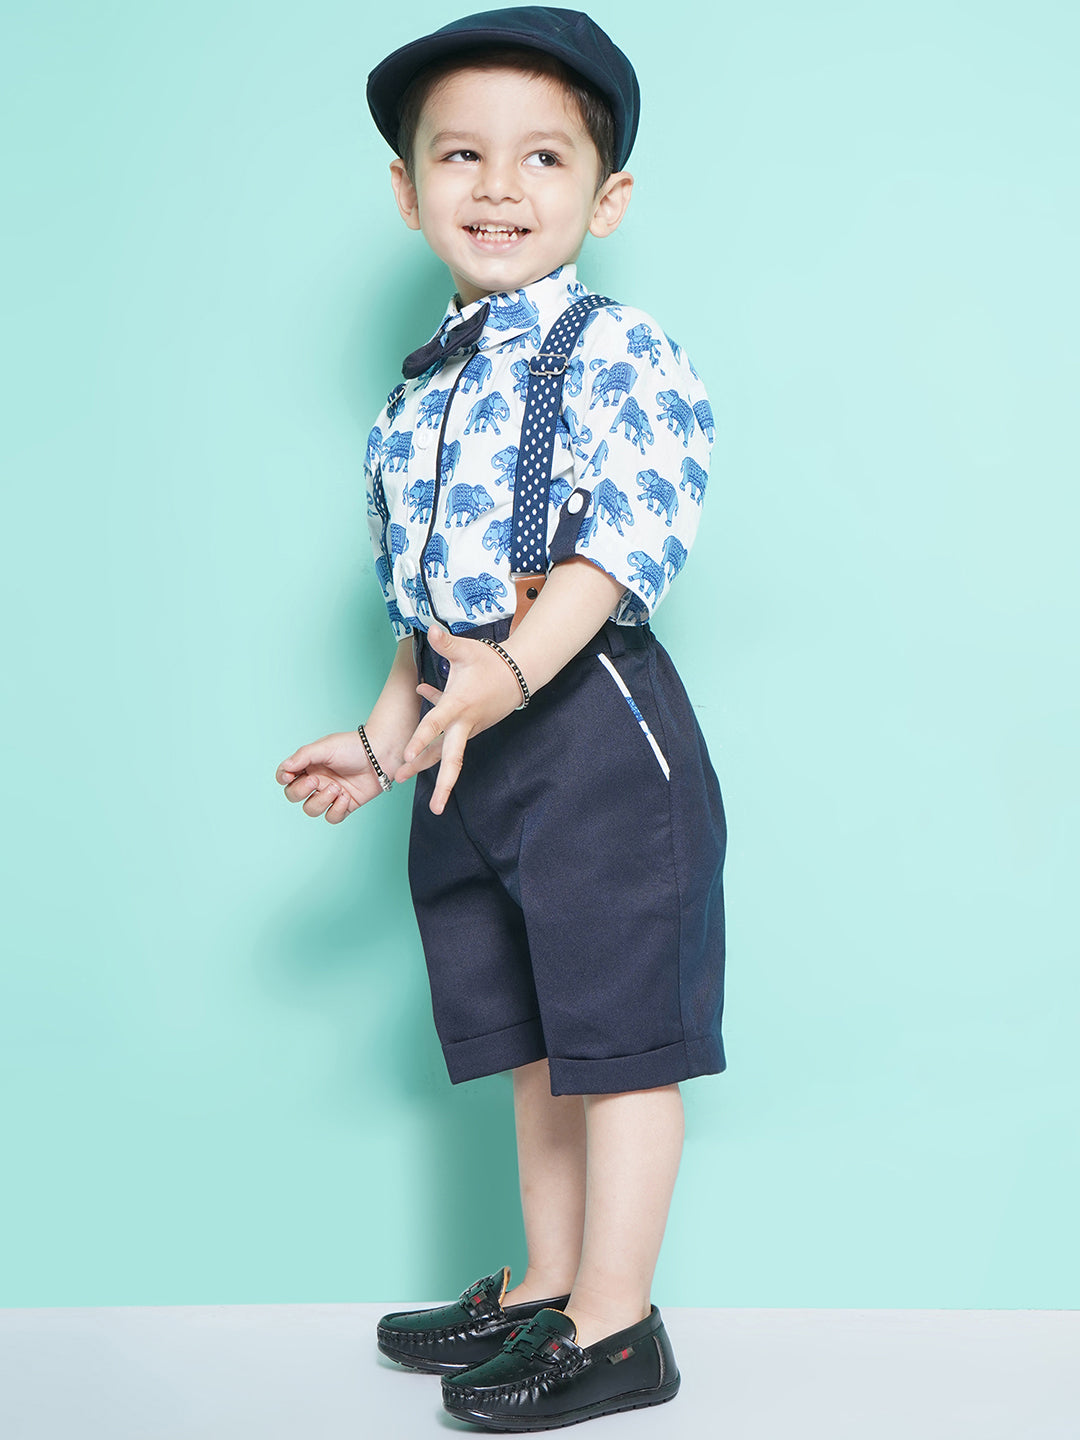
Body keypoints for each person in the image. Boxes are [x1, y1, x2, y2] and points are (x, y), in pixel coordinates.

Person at [275, 8, 727, 1430]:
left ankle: (618, 1326)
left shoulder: (615, 349)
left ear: (607, 197)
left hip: (591, 728)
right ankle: (548, 1284)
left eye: (543, 158)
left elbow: (624, 542)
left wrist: (515, 675)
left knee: (622, 1038)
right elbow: (419, 603)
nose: (497, 186)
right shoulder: (415, 397)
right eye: (459, 155)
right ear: (407, 189)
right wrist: (383, 736)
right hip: (467, 746)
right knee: (534, 1033)